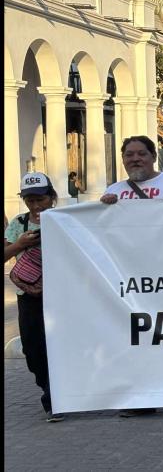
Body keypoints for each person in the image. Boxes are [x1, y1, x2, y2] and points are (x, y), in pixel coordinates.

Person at [100, 136, 163, 417]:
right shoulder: (113, 190)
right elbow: (99, 229)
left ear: (153, 156)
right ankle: (142, 397)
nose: (135, 159)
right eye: (129, 154)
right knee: (136, 338)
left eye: (141, 153)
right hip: (129, 279)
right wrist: (103, 208)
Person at [4, 173, 63, 422]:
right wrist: (19, 245)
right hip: (29, 295)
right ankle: (47, 387)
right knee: (33, 348)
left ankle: (54, 399)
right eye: (30, 201)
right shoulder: (18, 224)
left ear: (52, 198)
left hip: (62, 295)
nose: (36, 206)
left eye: (41, 199)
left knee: (60, 347)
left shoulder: (65, 220)